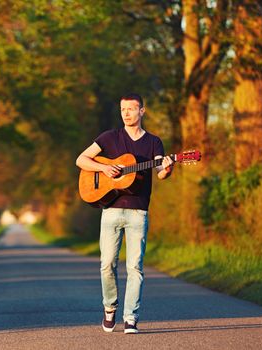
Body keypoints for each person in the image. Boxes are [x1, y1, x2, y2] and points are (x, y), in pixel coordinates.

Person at [75, 93, 174, 334]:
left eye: (131, 108)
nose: (126, 113)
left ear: (142, 111)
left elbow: (160, 170)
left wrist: (168, 168)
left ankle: (131, 317)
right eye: (123, 109)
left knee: (135, 267)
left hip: (138, 211)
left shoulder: (153, 142)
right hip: (110, 210)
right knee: (107, 264)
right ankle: (110, 308)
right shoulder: (109, 138)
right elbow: (81, 159)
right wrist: (104, 167)